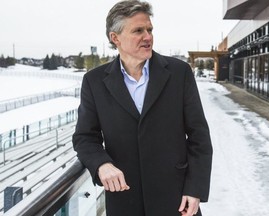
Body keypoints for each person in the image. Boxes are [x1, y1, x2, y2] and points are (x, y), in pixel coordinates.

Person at [72, 0, 213, 215]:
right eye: (138, 30)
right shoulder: (94, 81)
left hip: (176, 201)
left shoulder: (179, 73)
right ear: (115, 38)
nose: (148, 37)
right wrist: (101, 165)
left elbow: (199, 136)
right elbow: (84, 137)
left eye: (149, 29)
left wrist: (195, 189)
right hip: (124, 201)